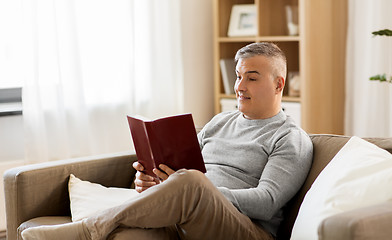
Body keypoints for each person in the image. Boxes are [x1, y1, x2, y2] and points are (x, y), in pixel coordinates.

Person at [21, 42, 313, 240]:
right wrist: (156, 181)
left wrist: (200, 189)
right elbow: (183, 171)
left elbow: (266, 202)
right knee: (127, 233)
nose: (239, 87)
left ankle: (88, 228)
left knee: (192, 181)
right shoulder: (220, 121)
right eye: (238, 76)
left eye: (251, 78)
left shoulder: (290, 138)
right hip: (188, 213)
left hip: (247, 229)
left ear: (278, 84)